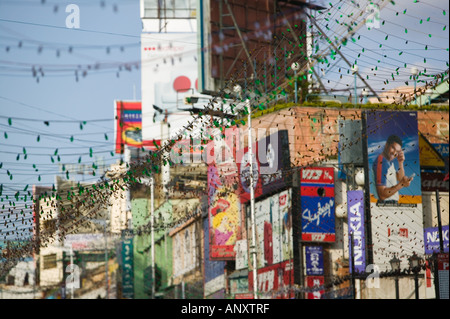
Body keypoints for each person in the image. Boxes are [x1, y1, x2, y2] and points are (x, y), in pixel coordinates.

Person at [372, 135, 414, 203]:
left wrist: (400, 162)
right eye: (393, 148)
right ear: (386, 145)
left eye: (397, 151)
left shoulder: (389, 162)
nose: (394, 153)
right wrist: (402, 184)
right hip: (385, 205)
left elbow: (400, 179)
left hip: (391, 205)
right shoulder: (381, 162)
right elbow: (382, 195)